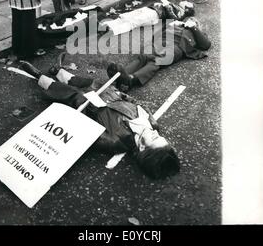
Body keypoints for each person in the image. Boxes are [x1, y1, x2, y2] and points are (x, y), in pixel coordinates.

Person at [19, 61, 181, 179]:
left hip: (88, 104)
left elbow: (88, 131)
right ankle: (59, 72)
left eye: (154, 138)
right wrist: (120, 95)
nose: (155, 133)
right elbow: (136, 103)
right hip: (108, 92)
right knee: (79, 80)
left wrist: (84, 109)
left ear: (142, 146)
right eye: (159, 136)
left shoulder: (117, 142)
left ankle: (39, 77)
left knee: (65, 90)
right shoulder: (153, 124)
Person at [107, 17, 211, 88]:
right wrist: (168, 25)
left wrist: (194, 27)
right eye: (188, 19)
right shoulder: (176, 26)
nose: (189, 20)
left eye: (193, 20)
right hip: (161, 41)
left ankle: (131, 79)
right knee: (144, 56)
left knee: (157, 60)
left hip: (177, 46)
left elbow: (206, 45)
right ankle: (121, 75)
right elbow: (155, 36)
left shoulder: (196, 32)